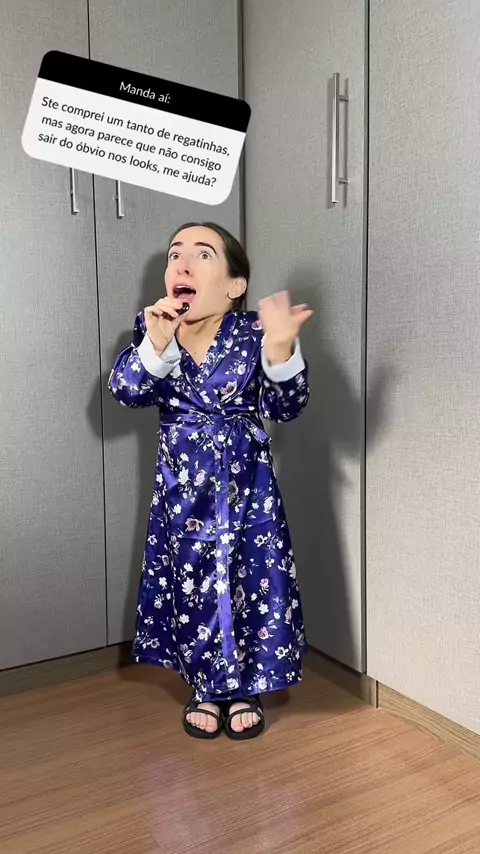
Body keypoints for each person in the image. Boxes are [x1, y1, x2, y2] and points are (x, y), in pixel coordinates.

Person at [108, 222, 312, 740]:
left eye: (202, 255)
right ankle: (207, 686)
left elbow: (286, 407)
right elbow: (127, 391)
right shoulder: (154, 327)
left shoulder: (253, 332)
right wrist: (156, 343)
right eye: (175, 254)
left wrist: (281, 352)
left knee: (250, 576)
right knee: (192, 580)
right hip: (182, 488)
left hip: (247, 485)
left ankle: (245, 688)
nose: (182, 263)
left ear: (234, 285)